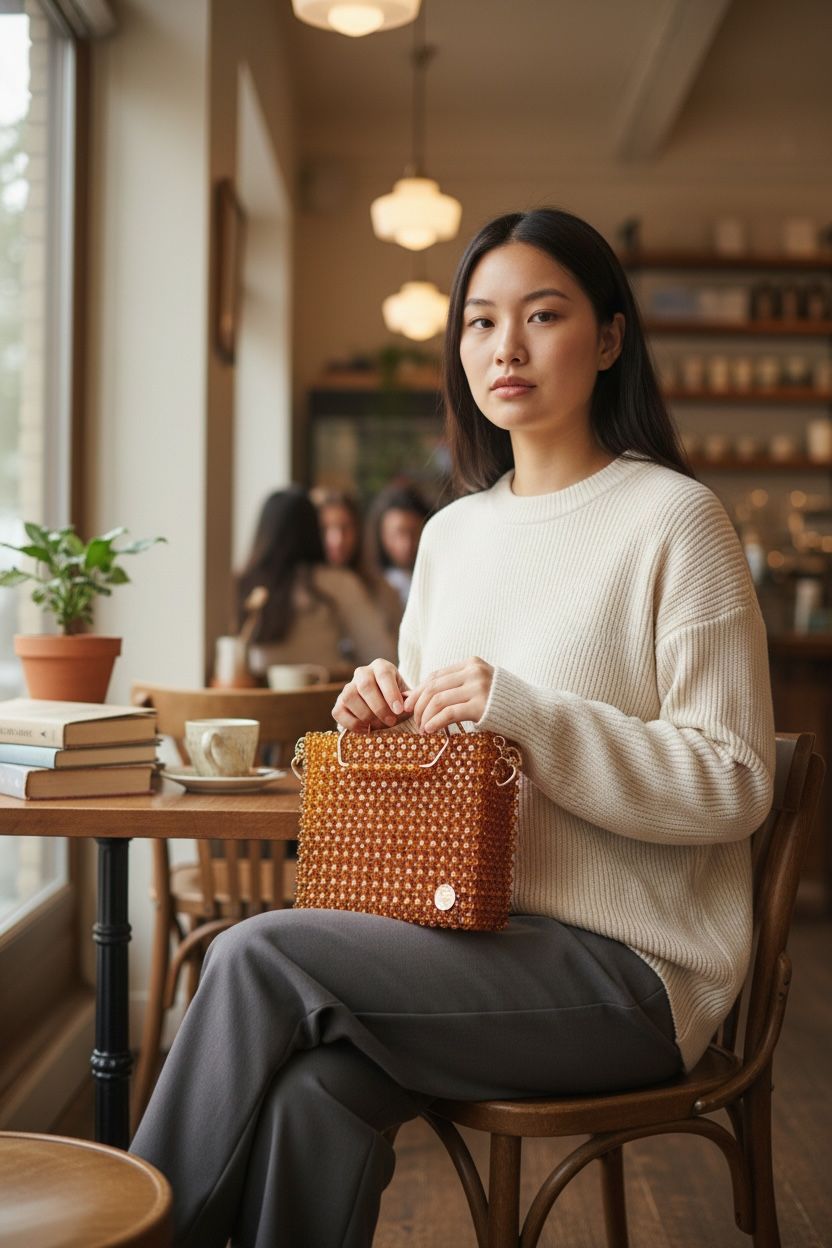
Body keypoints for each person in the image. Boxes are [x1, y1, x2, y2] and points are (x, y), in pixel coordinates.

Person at [132, 208, 775, 1248]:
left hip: (631, 974)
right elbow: (455, 777)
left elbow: (736, 784)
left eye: (541, 315)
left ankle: (129, 1234)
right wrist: (383, 727)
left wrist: (517, 708)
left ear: (608, 339)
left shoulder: (675, 521)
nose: (504, 348)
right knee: (313, 1101)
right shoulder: (451, 535)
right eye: (479, 323)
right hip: (470, 941)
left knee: (252, 956)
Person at [236, 485, 397, 679]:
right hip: (320, 704)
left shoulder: (243, 585)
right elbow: (381, 655)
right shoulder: (337, 582)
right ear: (312, 530)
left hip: (256, 706)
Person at [314, 488, 403, 638]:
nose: (337, 539)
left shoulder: (382, 590)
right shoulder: (305, 594)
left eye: (345, 528)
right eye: (325, 529)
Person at [364, 482, 431, 608]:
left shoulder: (434, 580)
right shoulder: (366, 585)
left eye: (414, 533)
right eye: (398, 533)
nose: (406, 544)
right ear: (381, 533)